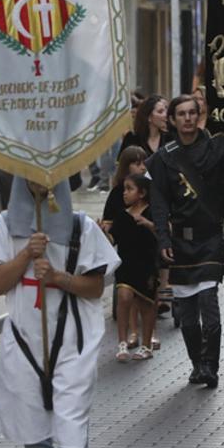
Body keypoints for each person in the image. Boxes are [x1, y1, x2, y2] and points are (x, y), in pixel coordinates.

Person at [0, 178, 119, 448]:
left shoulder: (80, 227)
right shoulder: (6, 226)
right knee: (32, 425)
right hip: (25, 340)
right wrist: (25, 255)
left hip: (72, 340)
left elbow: (95, 286)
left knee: (70, 421)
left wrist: (57, 277)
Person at [148, 94, 224, 388]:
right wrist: (163, 238)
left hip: (209, 239)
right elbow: (158, 203)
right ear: (172, 119)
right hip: (181, 242)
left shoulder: (218, 145)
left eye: (192, 113)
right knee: (188, 318)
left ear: (199, 115)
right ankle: (197, 363)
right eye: (180, 114)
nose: (187, 119)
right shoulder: (164, 157)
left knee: (210, 310)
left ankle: (211, 367)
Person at [101, 145, 151, 351]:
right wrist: (104, 229)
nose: (141, 167)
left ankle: (147, 335)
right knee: (125, 295)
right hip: (126, 253)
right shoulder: (117, 194)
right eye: (136, 163)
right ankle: (130, 334)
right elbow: (109, 223)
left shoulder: (151, 193)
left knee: (144, 298)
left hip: (147, 253)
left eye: (143, 162)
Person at [108, 174, 159, 362]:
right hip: (126, 264)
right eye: (124, 189)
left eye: (130, 189)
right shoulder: (122, 215)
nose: (125, 193)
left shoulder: (153, 212)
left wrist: (149, 225)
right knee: (124, 296)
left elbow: (165, 233)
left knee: (147, 304)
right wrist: (102, 233)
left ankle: (146, 345)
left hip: (147, 265)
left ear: (142, 193)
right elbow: (113, 239)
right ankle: (122, 342)